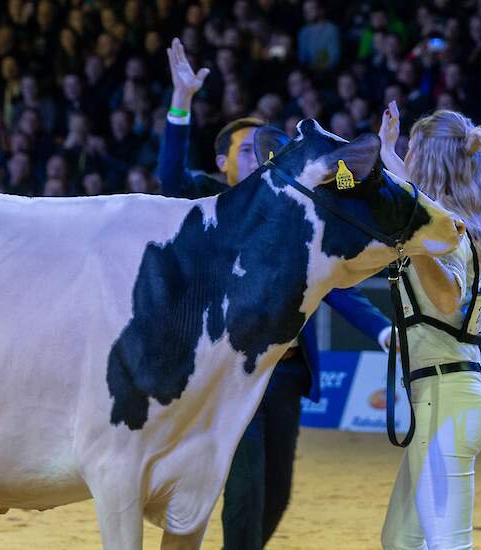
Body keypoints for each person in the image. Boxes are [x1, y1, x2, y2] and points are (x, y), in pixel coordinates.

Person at [157, 37, 392, 550]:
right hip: (228, 373)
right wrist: (181, 102)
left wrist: (381, 331)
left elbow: (334, 285)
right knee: (244, 487)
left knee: (277, 493)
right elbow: (170, 178)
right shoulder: (208, 205)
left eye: (267, 147)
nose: (262, 154)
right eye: (247, 149)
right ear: (223, 163)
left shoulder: (291, 215)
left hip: (283, 373)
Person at [378, 101, 481, 550]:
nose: (404, 159)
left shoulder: (441, 231)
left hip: (445, 400)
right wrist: (387, 148)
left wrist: (415, 245)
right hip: (447, 395)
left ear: (426, 161)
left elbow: (448, 298)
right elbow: (409, 191)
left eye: (410, 150)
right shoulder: (451, 222)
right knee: (400, 540)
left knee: (446, 545)